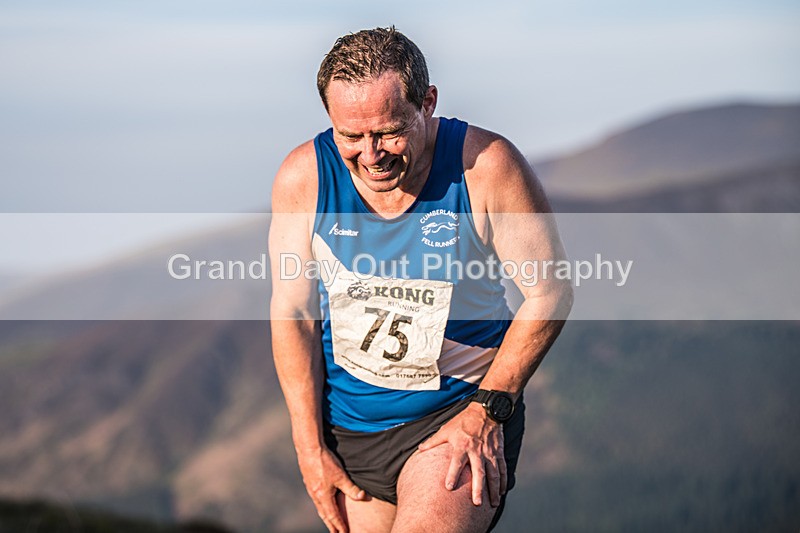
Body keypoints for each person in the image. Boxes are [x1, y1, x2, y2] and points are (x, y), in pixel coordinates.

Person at [269, 27, 573, 533]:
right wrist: (308, 446)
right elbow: (294, 311)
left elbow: (550, 291)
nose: (371, 155)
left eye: (389, 131)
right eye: (350, 136)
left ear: (427, 102)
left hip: (454, 418)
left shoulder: (485, 166)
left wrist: (488, 409)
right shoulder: (305, 178)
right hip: (351, 431)